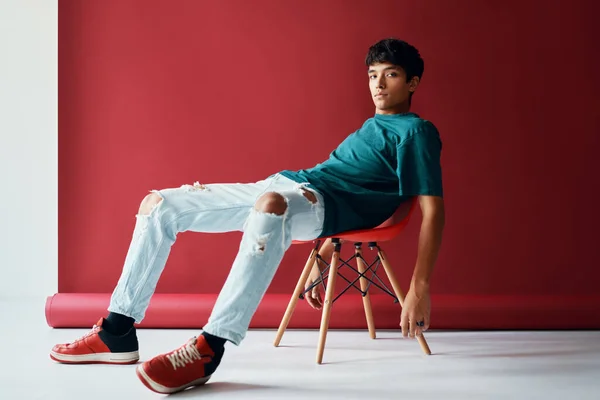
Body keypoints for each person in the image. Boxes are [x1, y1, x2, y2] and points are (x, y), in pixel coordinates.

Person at [50, 38, 445, 394]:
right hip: (285, 183)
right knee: (158, 205)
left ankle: (210, 347)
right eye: (373, 75)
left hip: (310, 201)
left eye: (391, 75)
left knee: (270, 206)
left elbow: (431, 209)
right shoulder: (373, 125)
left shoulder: (416, 132)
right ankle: (117, 330)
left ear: (412, 83)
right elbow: (361, 189)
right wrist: (324, 256)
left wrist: (419, 286)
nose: (378, 84)